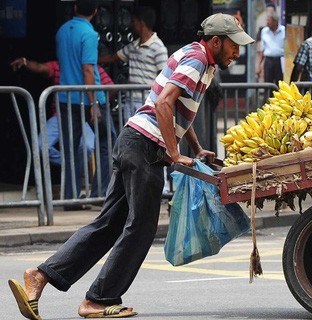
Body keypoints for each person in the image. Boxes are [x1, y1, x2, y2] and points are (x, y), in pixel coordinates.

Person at [8, 12, 254, 320]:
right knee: (141, 227)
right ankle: (98, 299)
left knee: (109, 224)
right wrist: (175, 153)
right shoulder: (197, 61)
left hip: (133, 141)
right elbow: (164, 103)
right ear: (216, 41)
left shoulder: (198, 58)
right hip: (143, 147)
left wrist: (196, 147)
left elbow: (178, 110)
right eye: (234, 46)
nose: (238, 53)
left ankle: (40, 276)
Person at [52, 0, 117, 210]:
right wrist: (94, 103)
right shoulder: (89, 35)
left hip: (65, 97)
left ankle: (71, 198)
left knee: (71, 148)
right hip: (88, 98)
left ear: (75, 8)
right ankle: (98, 193)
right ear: (96, 12)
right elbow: (88, 70)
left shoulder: (62, 30)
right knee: (109, 142)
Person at [9, 58, 113, 168]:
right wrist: (25, 62)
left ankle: (75, 171)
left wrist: (100, 106)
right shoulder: (60, 66)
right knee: (40, 146)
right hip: (60, 116)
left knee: (86, 146)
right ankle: (70, 168)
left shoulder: (93, 68)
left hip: (85, 116)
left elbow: (111, 88)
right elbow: (40, 67)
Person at [98, 6, 168, 120]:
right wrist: (90, 60)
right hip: (130, 100)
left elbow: (165, 76)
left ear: (141, 23)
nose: (131, 24)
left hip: (147, 100)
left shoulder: (159, 48)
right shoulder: (133, 46)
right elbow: (113, 57)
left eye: (133, 21)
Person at [257, 10, 285, 84]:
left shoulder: (284, 30)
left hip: (280, 60)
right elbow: (262, 49)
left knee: (280, 83)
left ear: (275, 21)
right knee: (268, 83)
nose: (267, 22)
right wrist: (259, 65)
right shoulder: (264, 31)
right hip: (268, 61)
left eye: (269, 20)